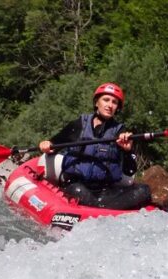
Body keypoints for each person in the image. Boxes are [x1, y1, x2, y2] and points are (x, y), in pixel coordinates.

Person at [37, 82, 152, 210]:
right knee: (79, 191)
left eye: (114, 102)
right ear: (97, 102)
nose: (109, 105)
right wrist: (47, 144)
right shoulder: (79, 124)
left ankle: (99, 209)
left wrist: (127, 151)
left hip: (106, 191)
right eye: (106, 100)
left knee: (144, 190)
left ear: (117, 107)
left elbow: (130, 171)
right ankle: (103, 209)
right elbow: (55, 144)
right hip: (77, 185)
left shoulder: (121, 132)